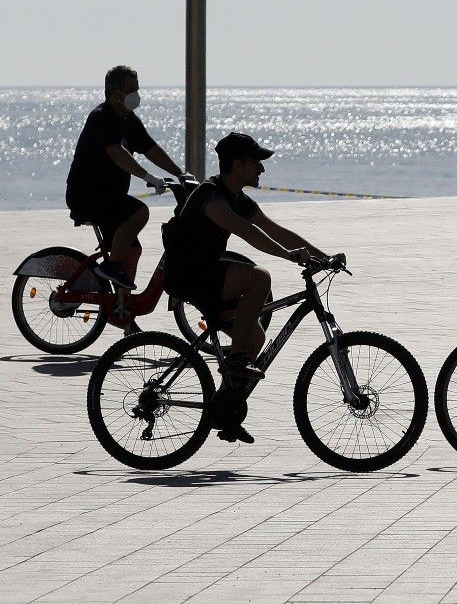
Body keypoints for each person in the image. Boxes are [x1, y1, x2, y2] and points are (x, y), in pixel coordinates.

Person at [163, 132, 330, 444]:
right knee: (259, 278)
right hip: (189, 276)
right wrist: (288, 256)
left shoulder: (237, 197)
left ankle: (224, 409)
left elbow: (275, 229)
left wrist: (324, 257)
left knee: (256, 337)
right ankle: (237, 357)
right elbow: (246, 232)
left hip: (207, 273)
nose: (262, 170)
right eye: (257, 163)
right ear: (237, 164)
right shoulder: (211, 197)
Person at [65, 65, 187, 295]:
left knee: (132, 252)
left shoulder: (128, 118)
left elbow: (150, 148)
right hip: (88, 196)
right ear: (113, 94)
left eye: (137, 89)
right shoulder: (102, 117)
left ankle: (123, 312)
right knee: (139, 212)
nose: (136, 95)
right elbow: (117, 152)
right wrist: (148, 176)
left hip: (110, 198)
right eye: (131, 90)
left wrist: (179, 173)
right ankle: (110, 265)